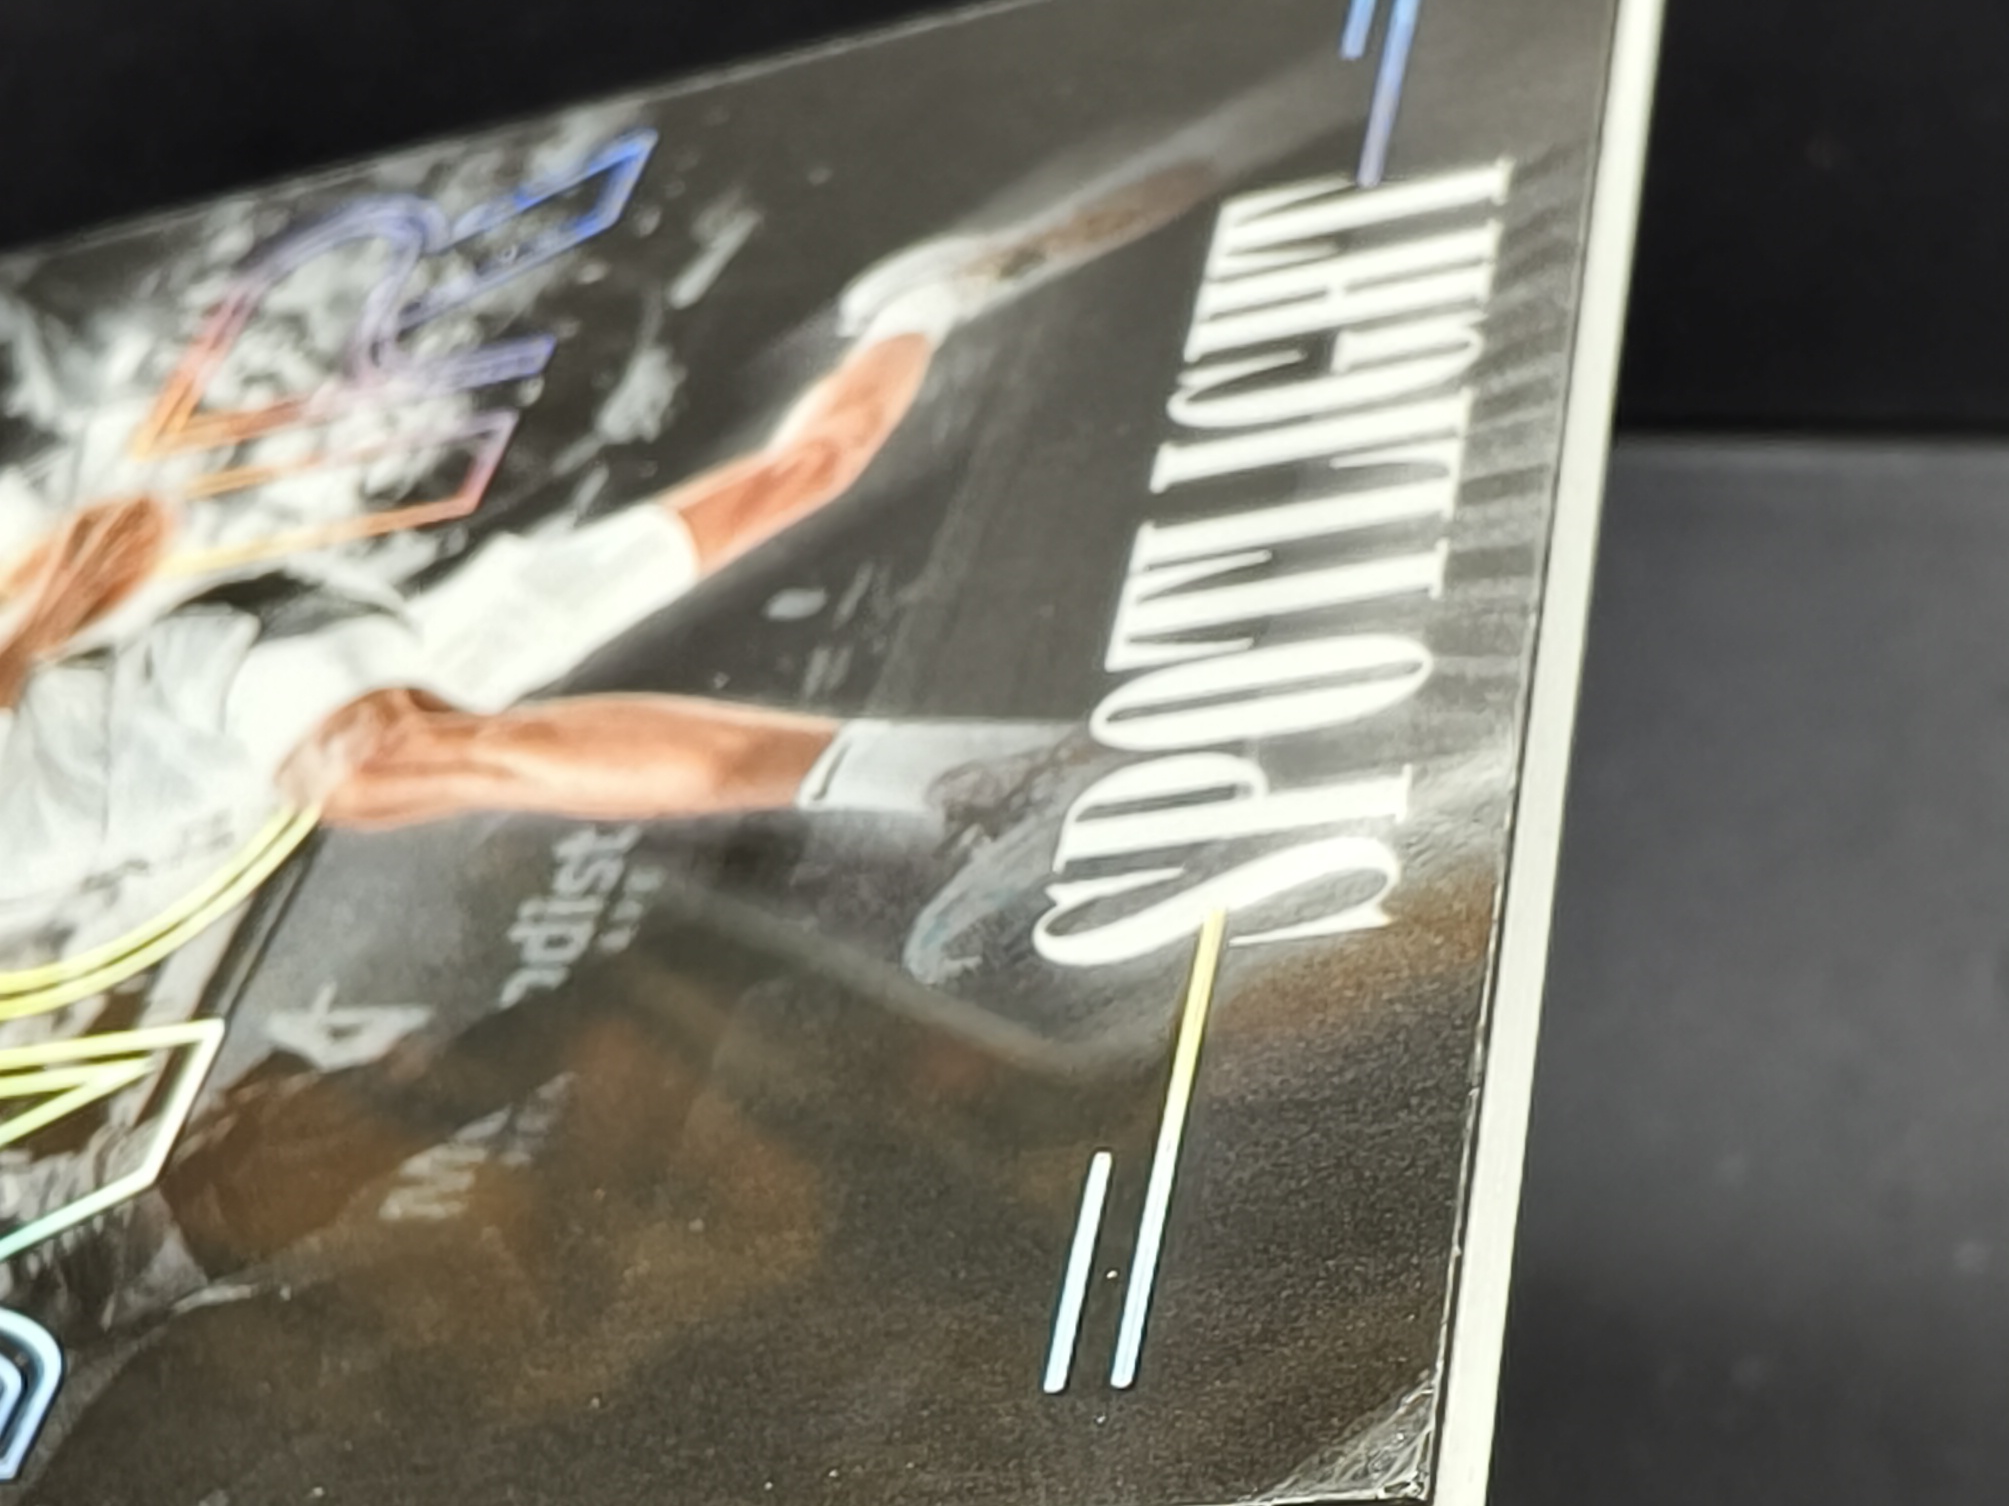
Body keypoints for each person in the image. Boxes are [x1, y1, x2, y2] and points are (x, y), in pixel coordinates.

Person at [0, 177, 1192, 995]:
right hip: (321, 698)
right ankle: (924, 303)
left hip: (239, 671)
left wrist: (58, 594)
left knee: (369, 774)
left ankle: (982, 779)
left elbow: (52, 611)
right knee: (799, 476)